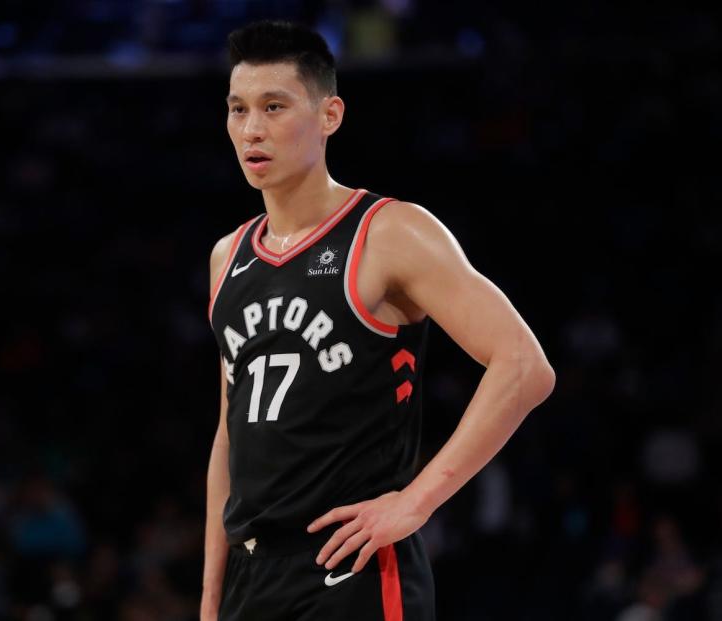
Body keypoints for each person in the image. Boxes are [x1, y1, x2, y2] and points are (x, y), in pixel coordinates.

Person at [203, 20, 555, 621]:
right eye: (238, 109)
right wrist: (211, 599)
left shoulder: (391, 232)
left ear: (330, 115)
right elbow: (230, 436)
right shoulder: (227, 255)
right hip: (251, 579)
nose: (252, 129)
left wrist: (416, 502)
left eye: (274, 106)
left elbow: (524, 367)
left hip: (355, 570)